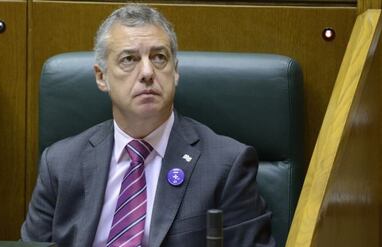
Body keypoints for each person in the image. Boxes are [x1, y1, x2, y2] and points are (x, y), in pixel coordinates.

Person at [21, 4, 274, 247]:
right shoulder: (60, 164)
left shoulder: (226, 165)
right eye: (129, 59)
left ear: (175, 71)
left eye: (159, 57)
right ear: (101, 77)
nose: (147, 72)